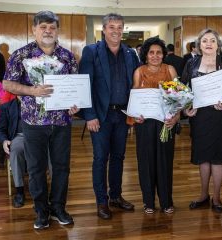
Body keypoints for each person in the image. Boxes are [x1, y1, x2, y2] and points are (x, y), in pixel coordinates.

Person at [3, 10, 79, 229]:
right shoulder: (21, 55)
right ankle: (41, 211)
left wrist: (75, 104)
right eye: (43, 27)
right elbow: (8, 84)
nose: (48, 31)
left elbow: (74, 86)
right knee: (36, 168)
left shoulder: (67, 56)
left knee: (62, 167)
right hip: (33, 122)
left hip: (62, 121)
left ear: (57, 30)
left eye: (52, 27)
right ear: (34, 29)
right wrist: (32, 90)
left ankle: (58, 208)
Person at [79, 13, 139, 220]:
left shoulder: (131, 53)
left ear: (123, 29)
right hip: (100, 116)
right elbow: (84, 84)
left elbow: (136, 86)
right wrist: (90, 115)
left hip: (122, 114)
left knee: (119, 157)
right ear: (104, 30)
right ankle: (102, 201)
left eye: (119, 27)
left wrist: (135, 112)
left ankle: (116, 196)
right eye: (111, 27)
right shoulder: (91, 51)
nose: (115, 31)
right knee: (100, 158)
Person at [182, 28, 222, 213]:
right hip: (200, 117)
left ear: (218, 45)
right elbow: (183, 90)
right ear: (199, 45)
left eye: (212, 40)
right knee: (203, 157)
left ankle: (217, 197)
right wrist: (186, 108)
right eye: (205, 40)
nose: (208, 43)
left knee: (219, 157)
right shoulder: (191, 64)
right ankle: (203, 195)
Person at [132, 37, 179, 214]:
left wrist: (175, 118)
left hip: (166, 122)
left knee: (165, 162)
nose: (155, 56)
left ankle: (166, 201)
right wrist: (136, 116)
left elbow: (178, 98)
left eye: (158, 52)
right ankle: (148, 202)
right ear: (145, 55)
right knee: (146, 162)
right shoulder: (139, 71)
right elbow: (135, 97)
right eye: (151, 52)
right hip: (145, 124)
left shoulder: (170, 70)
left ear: (163, 55)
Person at [0, 93, 26, 208]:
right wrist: (4, 141)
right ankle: (19, 191)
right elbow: (1, 130)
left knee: (51, 150)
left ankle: (55, 192)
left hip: (39, 137)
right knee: (15, 149)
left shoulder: (41, 104)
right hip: (20, 136)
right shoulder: (7, 107)